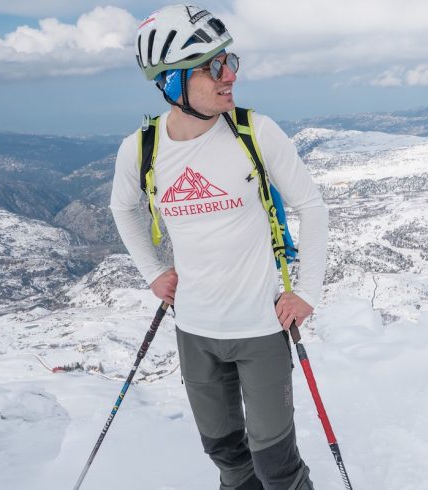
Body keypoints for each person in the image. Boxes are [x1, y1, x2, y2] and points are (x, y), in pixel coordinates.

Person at [109, 4, 328, 489]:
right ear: (171, 82)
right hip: (195, 331)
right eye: (212, 66)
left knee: (277, 467)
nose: (229, 74)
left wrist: (306, 292)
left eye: (230, 60)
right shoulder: (142, 149)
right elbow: (123, 208)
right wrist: (152, 272)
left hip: (260, 328)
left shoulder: (255, 132)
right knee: (228, 459)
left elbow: (311, 206)